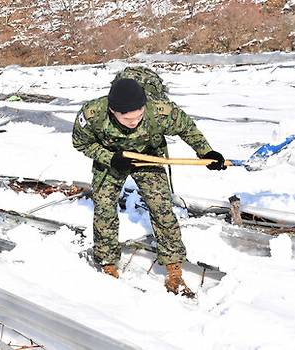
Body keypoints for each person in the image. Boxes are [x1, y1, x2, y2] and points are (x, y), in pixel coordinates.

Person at [72, 78, 226, 297]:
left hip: (148, 156)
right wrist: (109, 157)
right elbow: (81, 143)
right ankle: (108, 263)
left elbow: (188, 128)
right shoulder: (92, 114)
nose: (135, 121)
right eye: (128, 118)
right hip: (113, 158)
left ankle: (174, 271)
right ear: (113, 111)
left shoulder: (160, 111)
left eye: (139, 115)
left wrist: (206, 153)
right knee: (104, 206)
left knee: (161, 208)